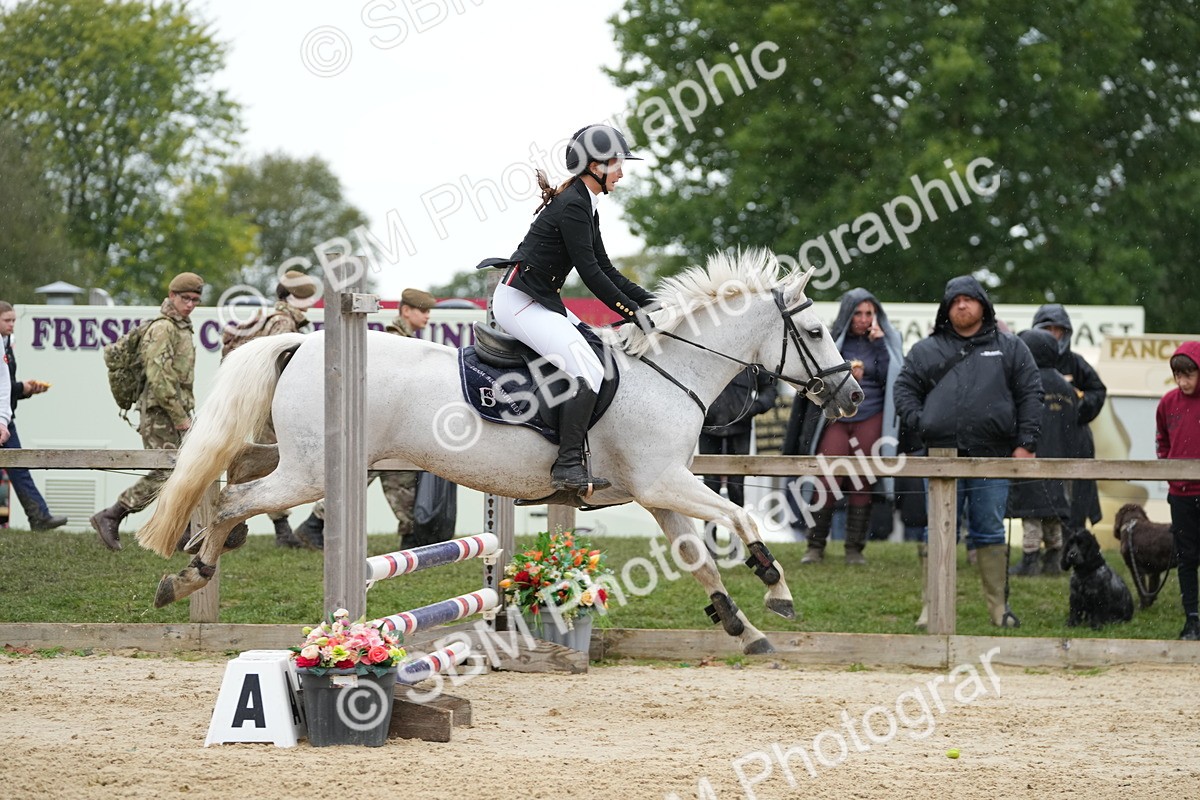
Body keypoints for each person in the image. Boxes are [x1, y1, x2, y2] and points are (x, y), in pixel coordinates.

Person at [477, 123, 657, 495]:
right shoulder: (574, 204)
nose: (622, 173)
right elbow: (591, 274)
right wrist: (631, 311)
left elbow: (606, 267)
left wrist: (651, 302)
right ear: (594, 166)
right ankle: (567, 465)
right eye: (616, 164)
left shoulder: (585, 202)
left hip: (541, 300)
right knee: (589, 370)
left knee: (598, 353)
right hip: (521, 302)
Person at [893, 276, 1043, 627]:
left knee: (989, 529)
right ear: (946, 308)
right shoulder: (926, 350)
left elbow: (1030, 393)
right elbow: (904, 389)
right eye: (955, 300)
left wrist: (1026, 443)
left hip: (992, 456)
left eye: (969, 299)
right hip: (940, 456)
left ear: (983, 305)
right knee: (937, 530)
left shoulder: (1011, 347)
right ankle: (932, 607)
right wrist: (922, 422)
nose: (962, 305)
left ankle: (998, 609)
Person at [294, 287, 437, 550]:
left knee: (398, 481)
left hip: (388, 427)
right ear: (406, 311)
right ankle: (313, 525)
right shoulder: (396, 342)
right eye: (423, 310)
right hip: (378, 427)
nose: (428, 316)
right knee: (358, 478)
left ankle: (409, 537)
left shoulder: (402, 340)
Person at [783, 288, 903, 565]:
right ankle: (815, 546)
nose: (863, 319)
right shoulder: (831, 339)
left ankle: (854, 549)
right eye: (858, 313)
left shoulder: (888, 340)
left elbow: (894, 380)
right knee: (827, 478)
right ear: (848, 314)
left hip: (871, 414)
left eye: (869, 313)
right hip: (836, 415)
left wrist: (880, 346)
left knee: (862, 479)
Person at [91, 272, 203, 551]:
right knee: (166, 472)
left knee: (183, 470)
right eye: (186, 298)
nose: (190, 304)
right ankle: (112, 515)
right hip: (160, 413)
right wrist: (180, 418)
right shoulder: (163, 328)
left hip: (173, 411)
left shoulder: (180, 327)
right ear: (172, 296)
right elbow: (159, 376)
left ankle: (182, 531)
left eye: (195, 300)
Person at [221, 270, 318, 548]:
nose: (309, 301)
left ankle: (241, 521)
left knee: (262, 460)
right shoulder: (283, 322)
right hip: (268, 401)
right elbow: (279, 365)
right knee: (270, 461)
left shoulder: (272, 318)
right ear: (291, 296)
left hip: (261, 401)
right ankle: (272, 528)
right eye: (304, 296)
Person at [1006, 328, 1076, 577]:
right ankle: (1054, 560)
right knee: (1053, 512)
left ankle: (1030, 561)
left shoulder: (1027, 382)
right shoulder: (1066, 387)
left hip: (1032, 456)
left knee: (1031, 514)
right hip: (1059, 461)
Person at [1032, 304, 1106, 534]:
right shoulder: (1026, 363)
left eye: (1058, 329)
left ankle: (1074, 544)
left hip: (1073, 440)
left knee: (1074, 498)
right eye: (1047, 329)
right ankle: (1040, 549)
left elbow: (1097, 391)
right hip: (1039, 440)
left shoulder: (1075, 363)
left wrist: (1074, 410)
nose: (1053, 335)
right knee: (1035, 495)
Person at [1, 301, 67, 530]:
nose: (11, 324)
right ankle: (39, 516)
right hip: (4, 418)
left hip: (5, 418)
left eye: (13, 320)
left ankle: (39, 516)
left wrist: (26, 390)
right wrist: (23, 388)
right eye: (6, 320)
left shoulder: (6, 344)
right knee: (19, 467)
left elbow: (4, 388)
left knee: (19, 467)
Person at [1154, 341, 1200, 640]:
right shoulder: (1168, 403)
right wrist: (1168, 468)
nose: (1183, 382)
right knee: (1187, 558)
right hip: (1181, 495)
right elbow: (1163, 440)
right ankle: (1192, 619)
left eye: (1189, 375)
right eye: (1178, 375)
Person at [699, 367, 778, 527]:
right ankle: (709, 538)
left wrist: (755, 407)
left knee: (737, 487)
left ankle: (737, 537)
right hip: (709, 429)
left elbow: (769, 388)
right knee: (710, 487)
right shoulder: (708, 355)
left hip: (740, 429)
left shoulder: (752, 362)